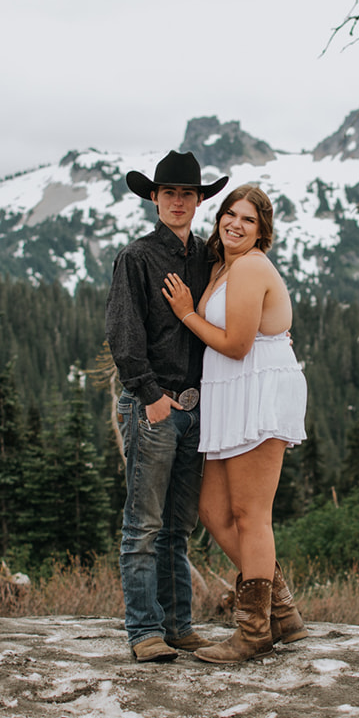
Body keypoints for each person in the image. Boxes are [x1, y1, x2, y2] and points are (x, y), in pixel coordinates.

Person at [163, 183, 309, 664]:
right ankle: (281, 610)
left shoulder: (250, 266)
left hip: (257, 387)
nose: (235, 224)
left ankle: (253, 632)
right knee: (213, 512)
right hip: (231, 391)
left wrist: (185, 313)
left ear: (261, 230)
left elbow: (237, 344)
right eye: (230, 214)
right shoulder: (226, 266)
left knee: (251, 515)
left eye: (248, 219)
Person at [105, 150, 228, 663]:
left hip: (197, 412)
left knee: (178, 527)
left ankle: (178, 625)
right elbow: (123, 333)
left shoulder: (206, 258)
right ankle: (144, 631)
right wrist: (151, 396)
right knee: (144, 525)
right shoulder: (137, 258)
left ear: (199, 201)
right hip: (155, 407)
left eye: (187, 194)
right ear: (154, 199)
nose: (178, 202)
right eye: (169, 193)